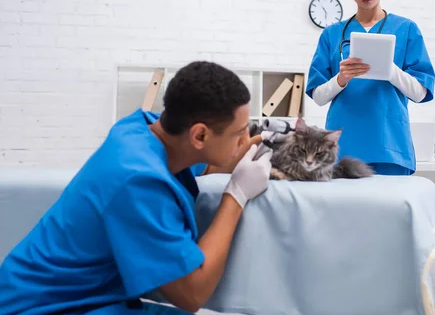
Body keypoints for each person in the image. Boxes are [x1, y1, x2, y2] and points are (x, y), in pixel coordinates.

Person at [0, 61, 273, 314]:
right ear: (199, 134)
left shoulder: (143, 128)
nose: (245, 139)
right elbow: (192, 293)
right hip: (45, 307)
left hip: (81, 296)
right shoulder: (138, 182)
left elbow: (208, 161)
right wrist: (236, 195)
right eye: (240, 133)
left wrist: (263, 143)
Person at [306, 0, 435, 176]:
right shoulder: (332, 34)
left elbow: (421, 93)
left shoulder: (406, 29)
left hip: (389, 144)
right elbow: (318, 96)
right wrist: (341, 78)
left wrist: (389, 69)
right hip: (343, 147)